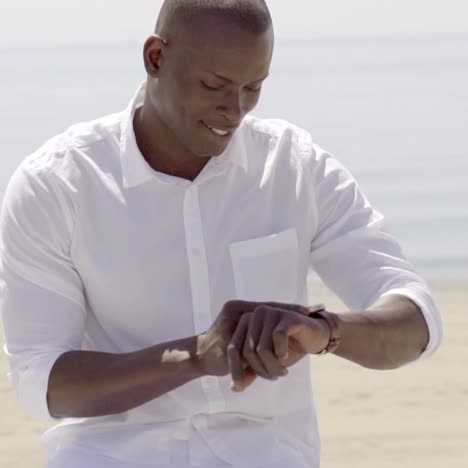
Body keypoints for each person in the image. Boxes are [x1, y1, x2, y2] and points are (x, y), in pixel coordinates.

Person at [0, 1, 443, 467]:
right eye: (214, 86)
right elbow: (43, 381)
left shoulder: (295, 168)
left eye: (254, 88)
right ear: (155, 58)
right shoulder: (57, 185)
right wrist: (194, 356)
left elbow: (417, 321)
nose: (234, 111)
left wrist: (324, 331)